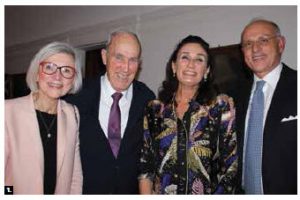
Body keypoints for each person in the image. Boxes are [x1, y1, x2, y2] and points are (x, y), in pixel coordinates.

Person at [138, 35, 238, 194]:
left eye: (199, 59)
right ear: (174, 66)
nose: (191, 64)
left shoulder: (220, 108)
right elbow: (146, 165)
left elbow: (230, 168)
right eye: (185, 57)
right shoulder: (155, 110)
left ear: (207, 70)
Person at [65, 31, 155, 194]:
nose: (126, 68)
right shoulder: (77, 96)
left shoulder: (147, 99)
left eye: (133, 60)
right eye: (119, 57)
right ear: (104, 56)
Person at [5, 42, 83, 194]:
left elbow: (75, 174)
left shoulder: (72, 113)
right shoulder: (7, 112)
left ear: (73, 80)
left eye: (66, 70)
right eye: (49, 67)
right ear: (36, 73)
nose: (57, 76)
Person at [234, 19, 297, 194]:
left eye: (263, 40)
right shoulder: (236, 94)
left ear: (280, 44)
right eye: (248, 44)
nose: (255, 49)